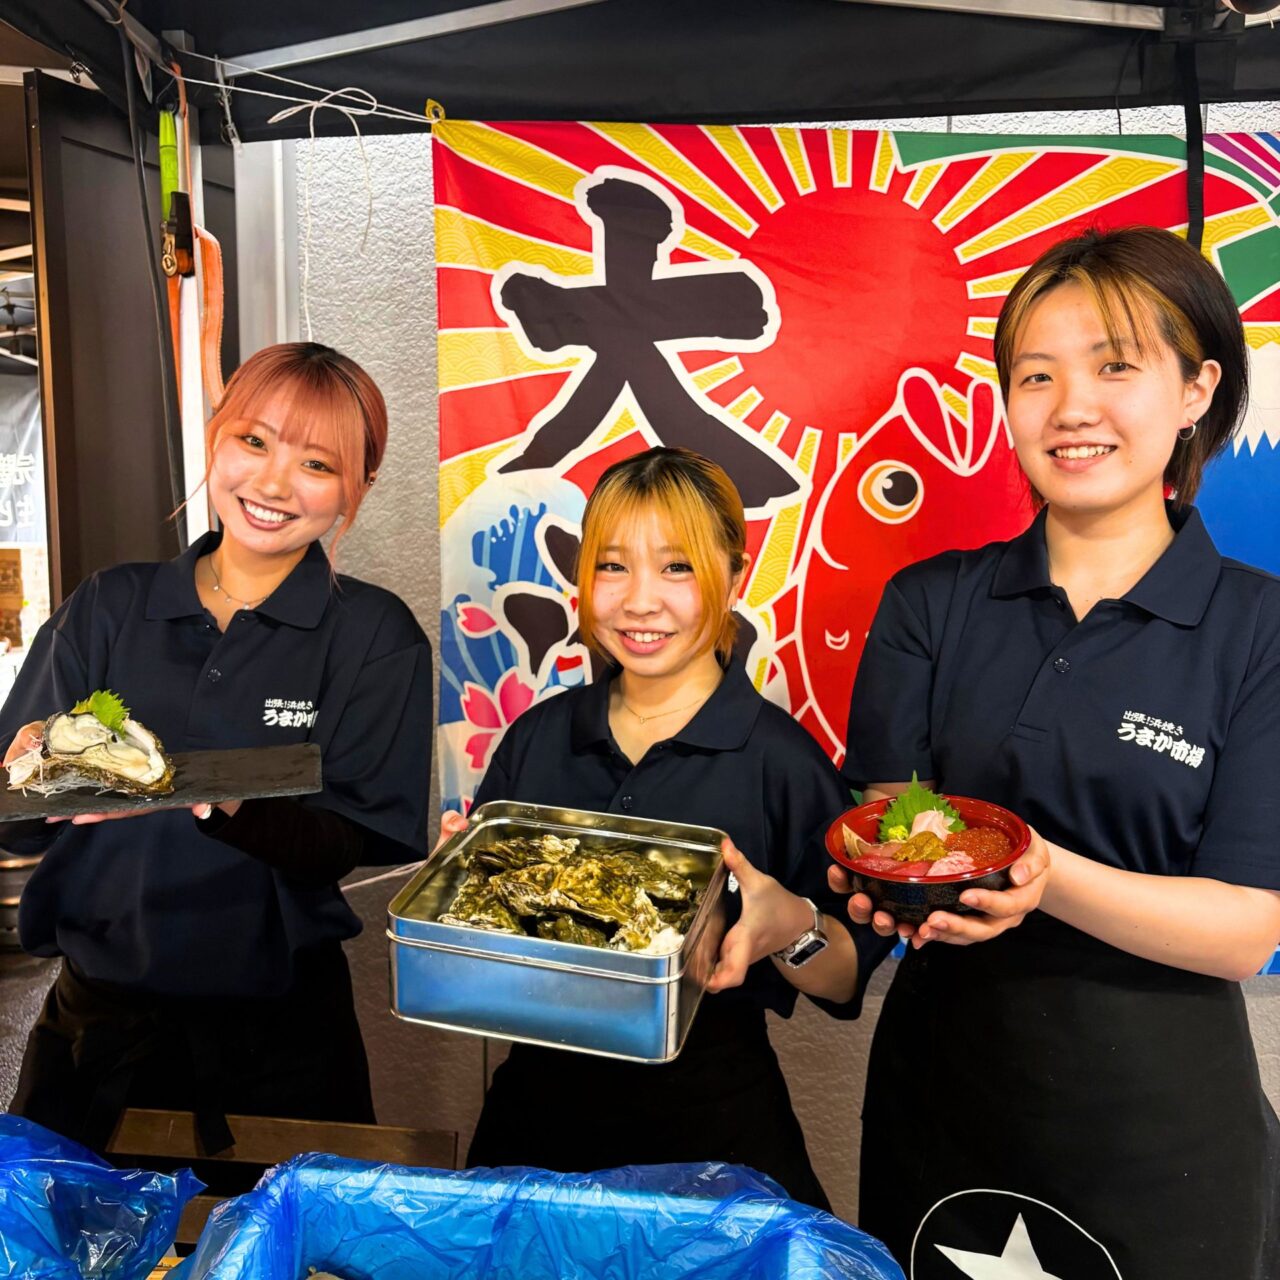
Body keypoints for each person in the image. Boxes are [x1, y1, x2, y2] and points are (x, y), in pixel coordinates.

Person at [835, 227, 1280, 1278]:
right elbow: (892, 830)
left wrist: (1039, 874)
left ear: (1194, 390)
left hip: (1161, 1128)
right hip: (943, 1098)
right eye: (1035, 374)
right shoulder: (930, 605)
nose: (1069, 406)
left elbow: (1242, 929)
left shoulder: (1255, 628)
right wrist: (868, 890)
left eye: (1113, 365)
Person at [0, 342, 432, 1155]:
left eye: (316, 463)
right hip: (93, 1037)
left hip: (282, 1049)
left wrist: (227, 805)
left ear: (356, 487)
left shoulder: (374, 636)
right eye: (254, 442)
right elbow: (15, 823)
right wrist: (27, 772)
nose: (272, 484)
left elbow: (345, 840)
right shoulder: (110, 606)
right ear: (216, 438)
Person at [444, 446, 890, 1210]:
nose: (639, 602)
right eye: (612, 567)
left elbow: (847, 978)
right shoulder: (542, 737)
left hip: (714, 1144)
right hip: (533, 1130)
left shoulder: (777, 759)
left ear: (735, 576)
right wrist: (457, 889)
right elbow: (488, 956)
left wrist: (790, 927)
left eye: (677, 568)